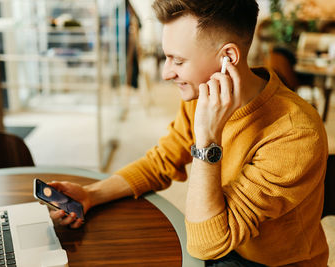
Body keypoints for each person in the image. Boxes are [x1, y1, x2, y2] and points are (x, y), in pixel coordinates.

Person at [48, 0, 329, 265]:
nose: (166, 73)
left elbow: (207, 243)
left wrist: (207, 140)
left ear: (228, 58)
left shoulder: (296, 132)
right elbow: (161, 161)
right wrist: (91, 194)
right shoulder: (202, 99)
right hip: (219, 240)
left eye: (178, 61)